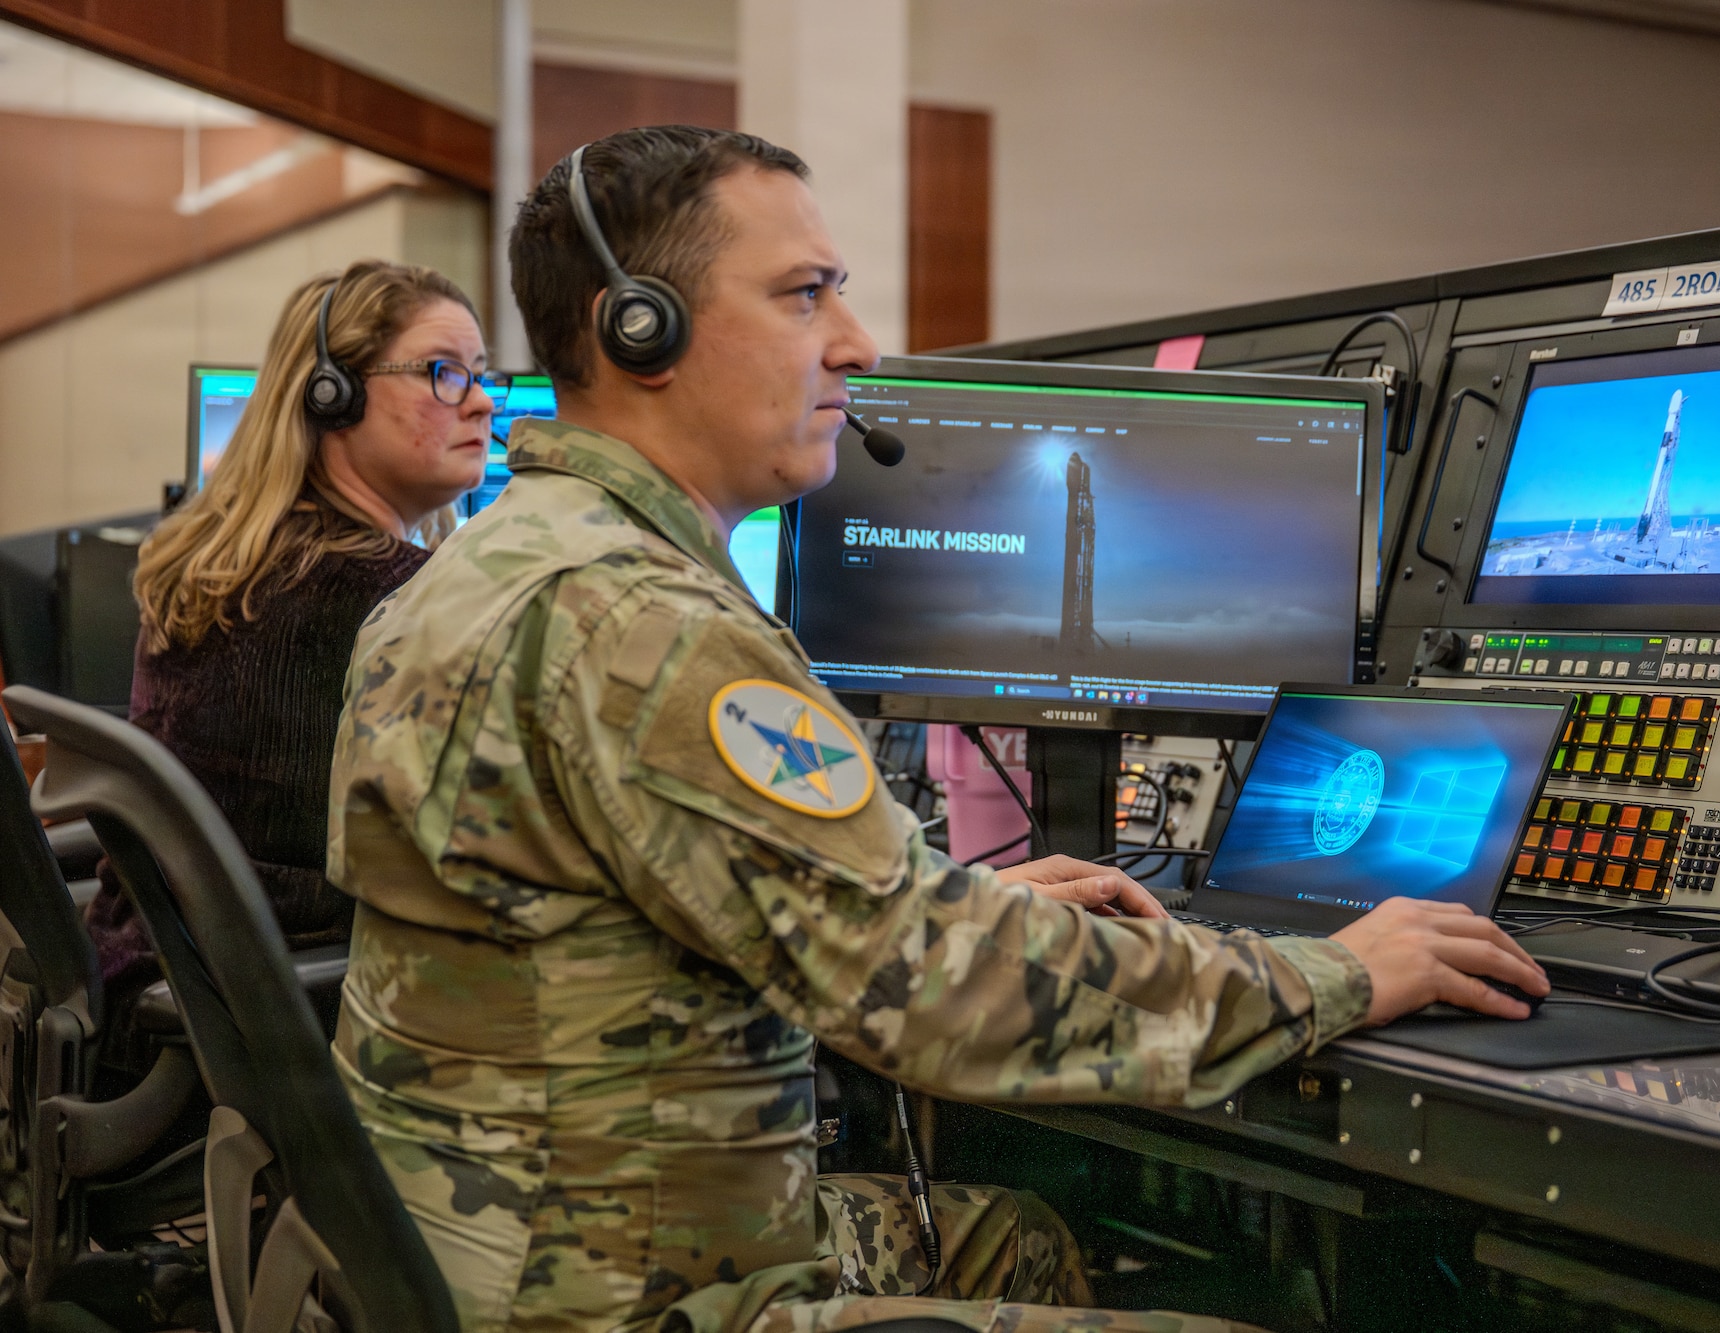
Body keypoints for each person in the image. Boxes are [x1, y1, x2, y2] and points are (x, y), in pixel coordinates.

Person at [327, 127, 1548, 1333]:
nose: (854, 345)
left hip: (464, 1253)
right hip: (633, 1294)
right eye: (804, 296)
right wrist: (1336, 970)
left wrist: (957, 902)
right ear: (637, 326)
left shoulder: (485, 567)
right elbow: (937, 996)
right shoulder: (647, 624)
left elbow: (707, 910)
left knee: (1011, 1235)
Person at [91, 260, 494, 1061]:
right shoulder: (393, 598)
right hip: (273, 1030)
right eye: (444, 373)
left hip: (156, 1002)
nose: (482, 400)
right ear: (331, 396)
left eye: (479, 377)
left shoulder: (206, 557)